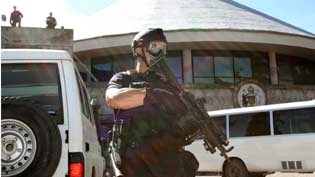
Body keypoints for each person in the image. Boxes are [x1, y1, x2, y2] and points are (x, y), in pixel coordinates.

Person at [105, 28, 199, 177]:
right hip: (133, 160)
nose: (160, 53)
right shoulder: (123, 78)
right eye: (155, 47)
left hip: (165, 161)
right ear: (138, 50)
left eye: (164, 48)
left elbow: (181, 123)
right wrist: (151, 95)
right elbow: (113, 99)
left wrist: (192, 118)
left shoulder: (168, 84)